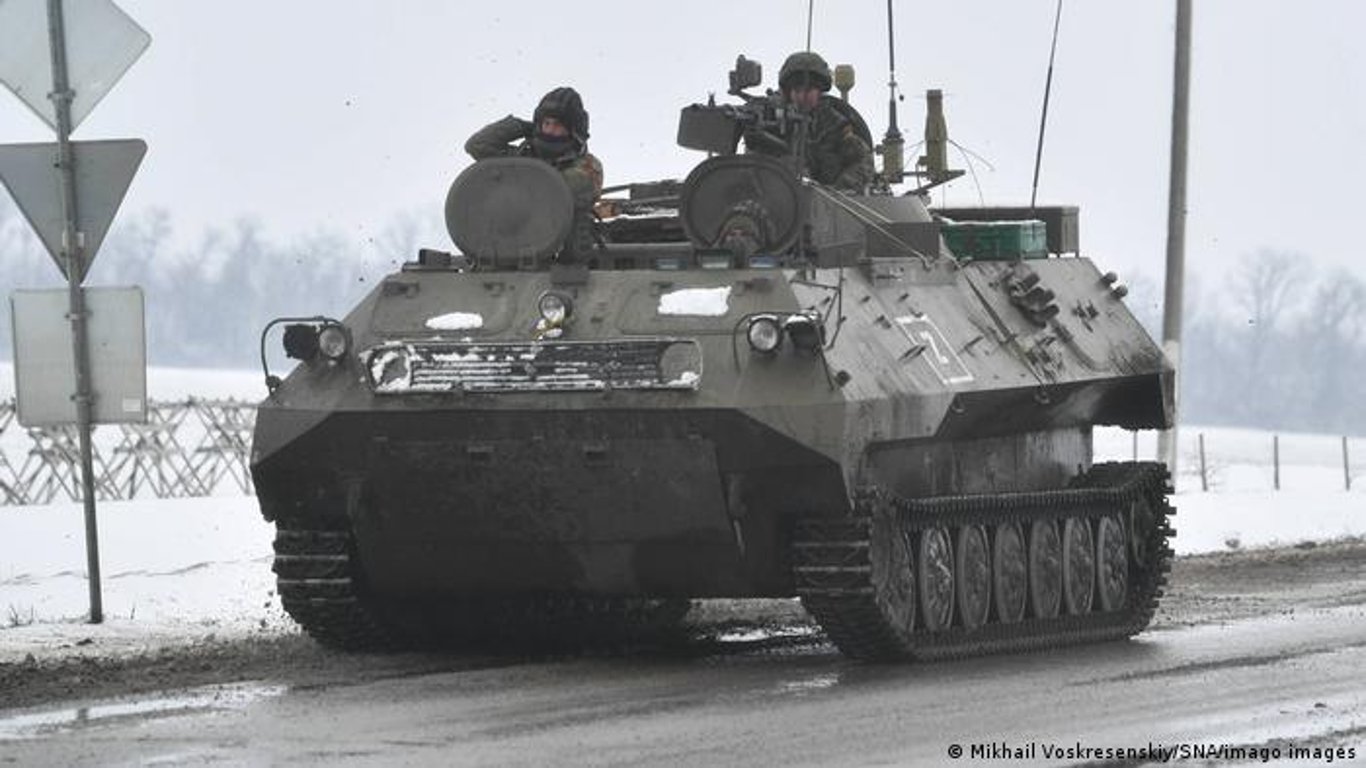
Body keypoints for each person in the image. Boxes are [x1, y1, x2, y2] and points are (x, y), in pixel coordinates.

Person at [465, 87, 603, 259]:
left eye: (558, 125)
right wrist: (520, 127)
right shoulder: (523, 158)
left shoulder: (587, 166)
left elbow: (555, 191)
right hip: (509, 246)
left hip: (564, 257)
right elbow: (477, 145)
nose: (550, 130)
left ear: (573, 131)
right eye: (546, 123)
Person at [753, 51, 875, 190]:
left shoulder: (834, 124)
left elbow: (863, 162)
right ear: (788, 92)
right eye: (797, 90)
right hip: (780, 197)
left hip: (827, 199)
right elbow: (754, 165)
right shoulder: (773, 122)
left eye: (808, 90)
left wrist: (837, 190)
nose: (802, 96)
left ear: (819, 91)